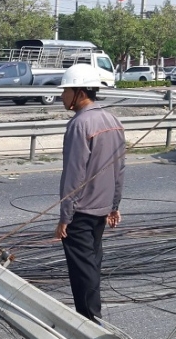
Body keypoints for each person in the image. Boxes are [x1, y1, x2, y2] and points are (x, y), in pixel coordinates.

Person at [55, 64, 126, 323]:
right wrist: (114, 204)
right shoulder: (113, 120)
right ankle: (93, 315)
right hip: (102, 209)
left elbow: (74, 175)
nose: (62, 96)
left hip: (81, 212)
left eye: (66, 90)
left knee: (82, 270)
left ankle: (89, 321)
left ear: (80, 92)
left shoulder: (80, 124)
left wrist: (65, 217)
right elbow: (120, 168)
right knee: (92, 262)